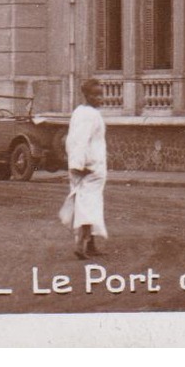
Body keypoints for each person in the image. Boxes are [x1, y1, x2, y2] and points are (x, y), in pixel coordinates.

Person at [61, 78, 109, 260]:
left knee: (92, 206)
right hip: (88, 168)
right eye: (95, 95)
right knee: (87, 207)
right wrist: (77, 166)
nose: (99, 98)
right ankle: (81, 245)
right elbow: (78, 141)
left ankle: (91, 244)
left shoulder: (84, 113)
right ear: (86, 95)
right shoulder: (87, 114)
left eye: (101, 95)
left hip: (94, 166)